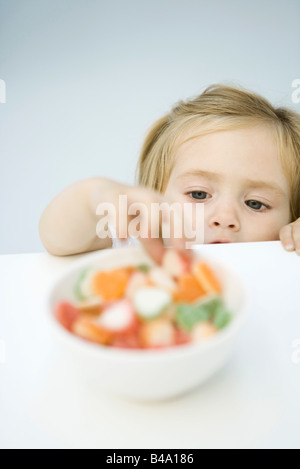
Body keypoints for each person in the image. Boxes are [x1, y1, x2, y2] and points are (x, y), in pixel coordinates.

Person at [39, 84, 300, 264]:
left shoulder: (290, 259)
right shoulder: (140, 252)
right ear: (155, 198)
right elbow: (58, 240)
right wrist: (94, 197)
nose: (225, 219)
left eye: (255, 203)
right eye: (198, 194)